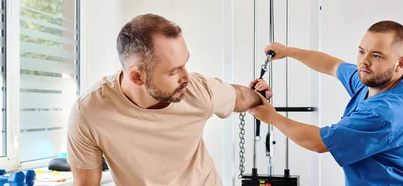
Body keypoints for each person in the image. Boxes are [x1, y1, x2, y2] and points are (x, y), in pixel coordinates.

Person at [66, 14, 272, 186]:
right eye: (174, 71)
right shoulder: (89, 111)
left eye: (184, 63)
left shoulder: (197, 90)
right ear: (137, 77)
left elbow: (240, 97)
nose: (186, 77)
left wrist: (259, 95)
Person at [248, 20, 403, 185]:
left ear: (400, 63)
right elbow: (332, 65)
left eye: (376, 55)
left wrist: (271, 116)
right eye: (361, 51)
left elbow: (318, 142)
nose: (363, 62)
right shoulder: (376, 81)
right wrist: (288, 51)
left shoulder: (384, 113)